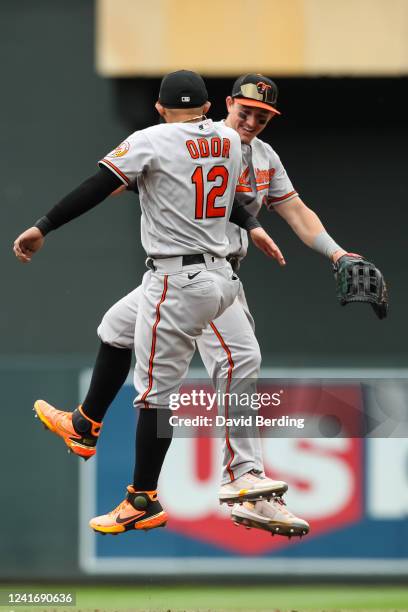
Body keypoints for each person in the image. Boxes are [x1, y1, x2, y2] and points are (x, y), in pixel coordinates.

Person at [13, 70, 289, 536]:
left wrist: (43, 225)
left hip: (177, 279)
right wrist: (254, 225)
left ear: (160, 109)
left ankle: (142, 498)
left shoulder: (151, 139)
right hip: (220, 275)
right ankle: (84, 423)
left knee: (154, 399)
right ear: (207, 108)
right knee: (116, 327)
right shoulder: (226, 138)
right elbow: (224, 196)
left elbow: (99, 186)